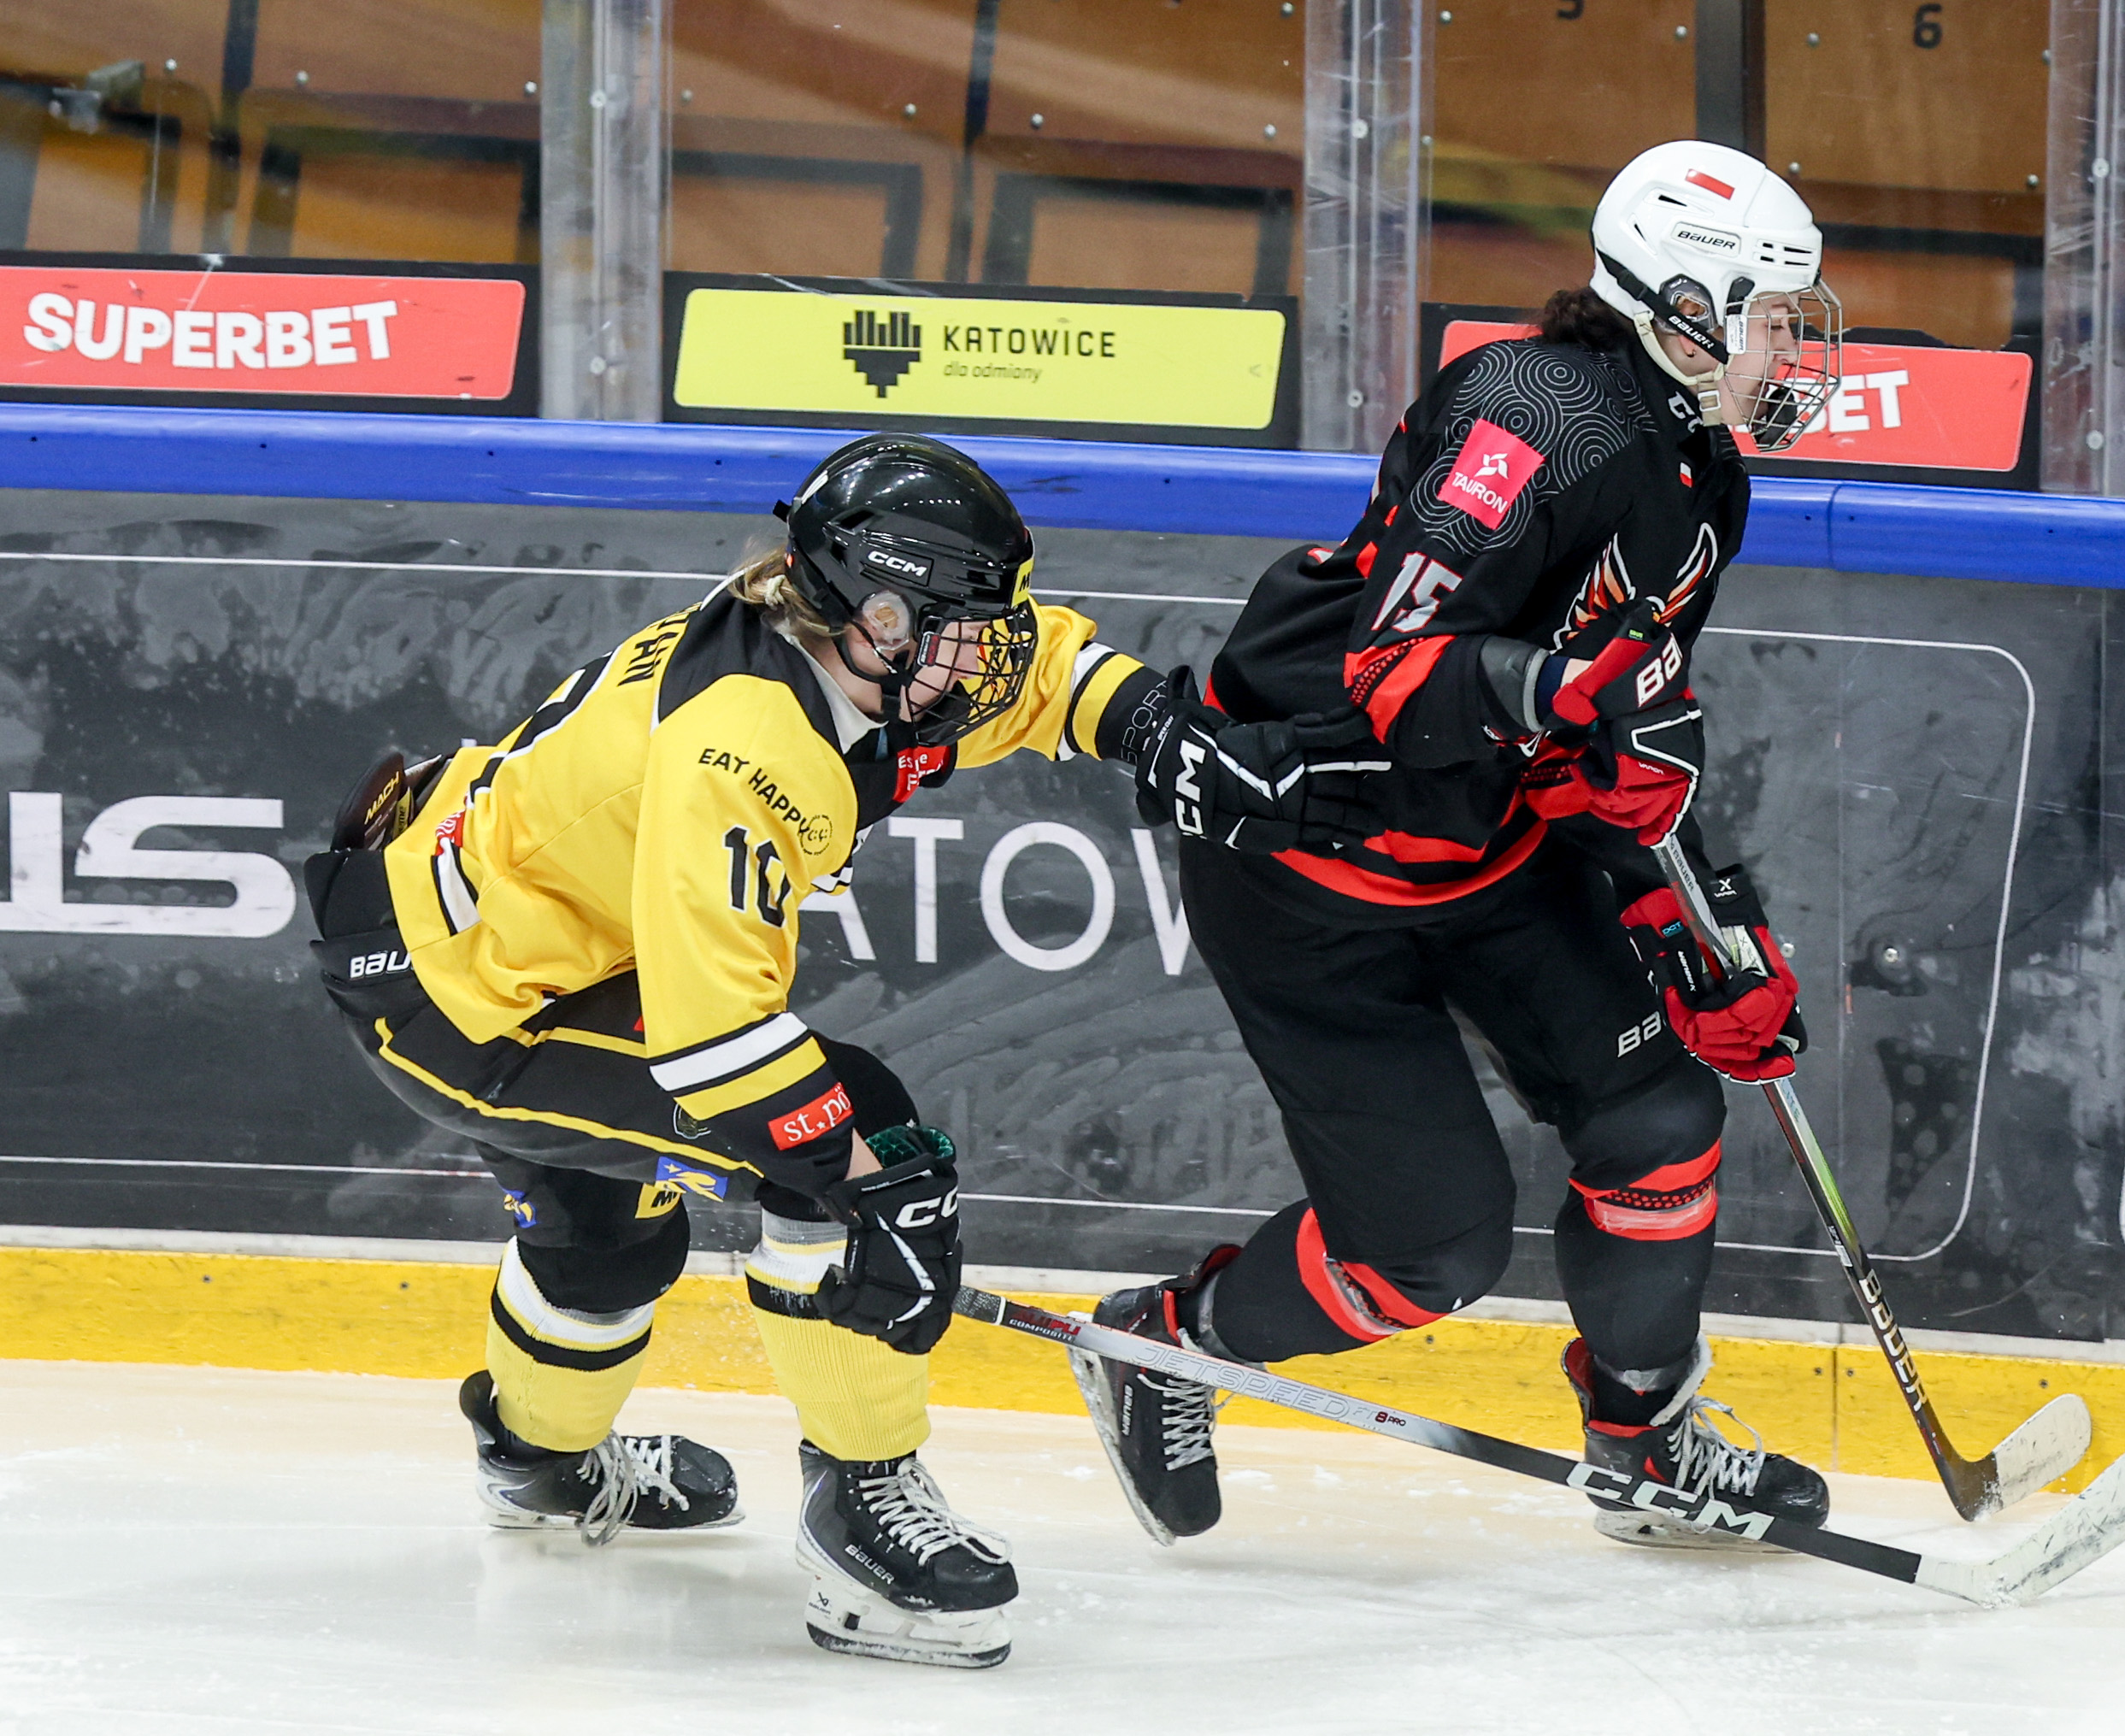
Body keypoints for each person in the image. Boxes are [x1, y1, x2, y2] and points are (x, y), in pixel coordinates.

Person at [303, 434, 1379, 1667]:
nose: (991, 653)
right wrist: (870, 1190)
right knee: (851, 1129)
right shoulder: (748, 747)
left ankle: (533, 1465)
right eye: (966, 628)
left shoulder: (860, 656)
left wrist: (1160, 731)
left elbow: (1043, 665)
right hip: (467, 1001)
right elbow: (721, 1040)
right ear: (878, 616)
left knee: (607, 1245)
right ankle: (862, 1504)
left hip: (511, 928)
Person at [1074, 141, 1848, 1550]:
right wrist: (1558, 698)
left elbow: (1619, 727)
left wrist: (1685, 916)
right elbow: (1398, 664)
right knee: (1427, 1253)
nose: (1793, 352)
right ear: (1682, 304)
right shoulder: (1530, 409)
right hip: (1308, 862)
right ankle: (1166, 1342)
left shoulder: (1703, 473)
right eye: (1772, 317)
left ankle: (1647, 1443)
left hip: (1489, 845)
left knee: (1661, 1123)